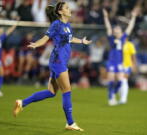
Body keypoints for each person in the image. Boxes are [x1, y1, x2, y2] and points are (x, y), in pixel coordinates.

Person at [13, 2, 92, 131]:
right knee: (67, 91)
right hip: (58, 61)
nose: (69, 9)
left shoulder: (68, 25)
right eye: (66, 8)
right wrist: (36, 44)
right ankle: (70, 123)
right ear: (60, 12)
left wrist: (82, 41)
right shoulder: (56, 24)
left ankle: (22, 103)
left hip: (60, 61)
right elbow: (45, 38)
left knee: (51, 92)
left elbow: (70, 39)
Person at [103, 8, 138, 106]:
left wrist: (133, 17)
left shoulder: (123, 38)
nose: (116, 30)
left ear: (121, 32)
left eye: (117, 29)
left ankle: (114, 92)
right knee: (111, 79)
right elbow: (108, 27)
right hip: (111, 61)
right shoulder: (111, 38)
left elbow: (130, 27)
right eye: (115, 29)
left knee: (120, 81)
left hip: (119, 62)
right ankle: (111, 98)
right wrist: (106, 17)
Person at [119, 39, 137, 104]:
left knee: (124, 80)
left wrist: (134, 65)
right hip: (119, 65)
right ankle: (122, 98)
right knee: (119, 81)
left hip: (127, 65)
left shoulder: (130, 45)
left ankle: (123, 99)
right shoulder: (118, 43)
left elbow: (133, 56)